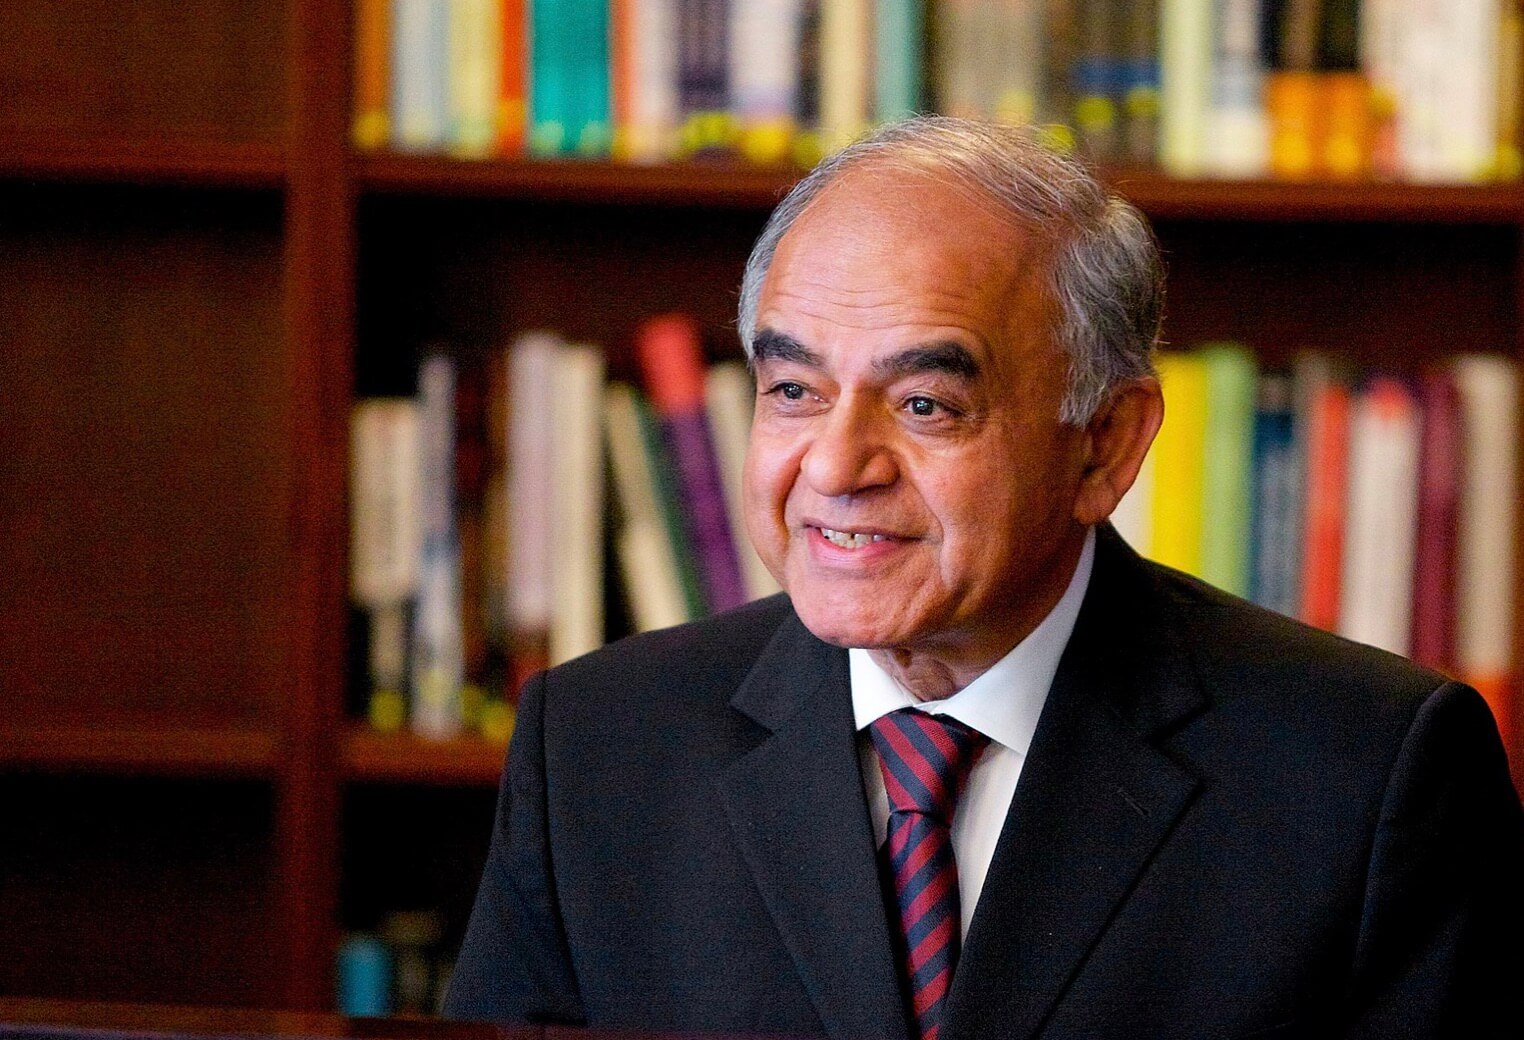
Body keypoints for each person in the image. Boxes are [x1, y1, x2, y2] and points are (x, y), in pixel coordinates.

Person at [444, 117, 1524, 1039]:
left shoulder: (1368, 774)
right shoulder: (595, 750)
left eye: (925, 405)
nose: (836, 467)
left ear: (1105, 444)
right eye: (793, 390)